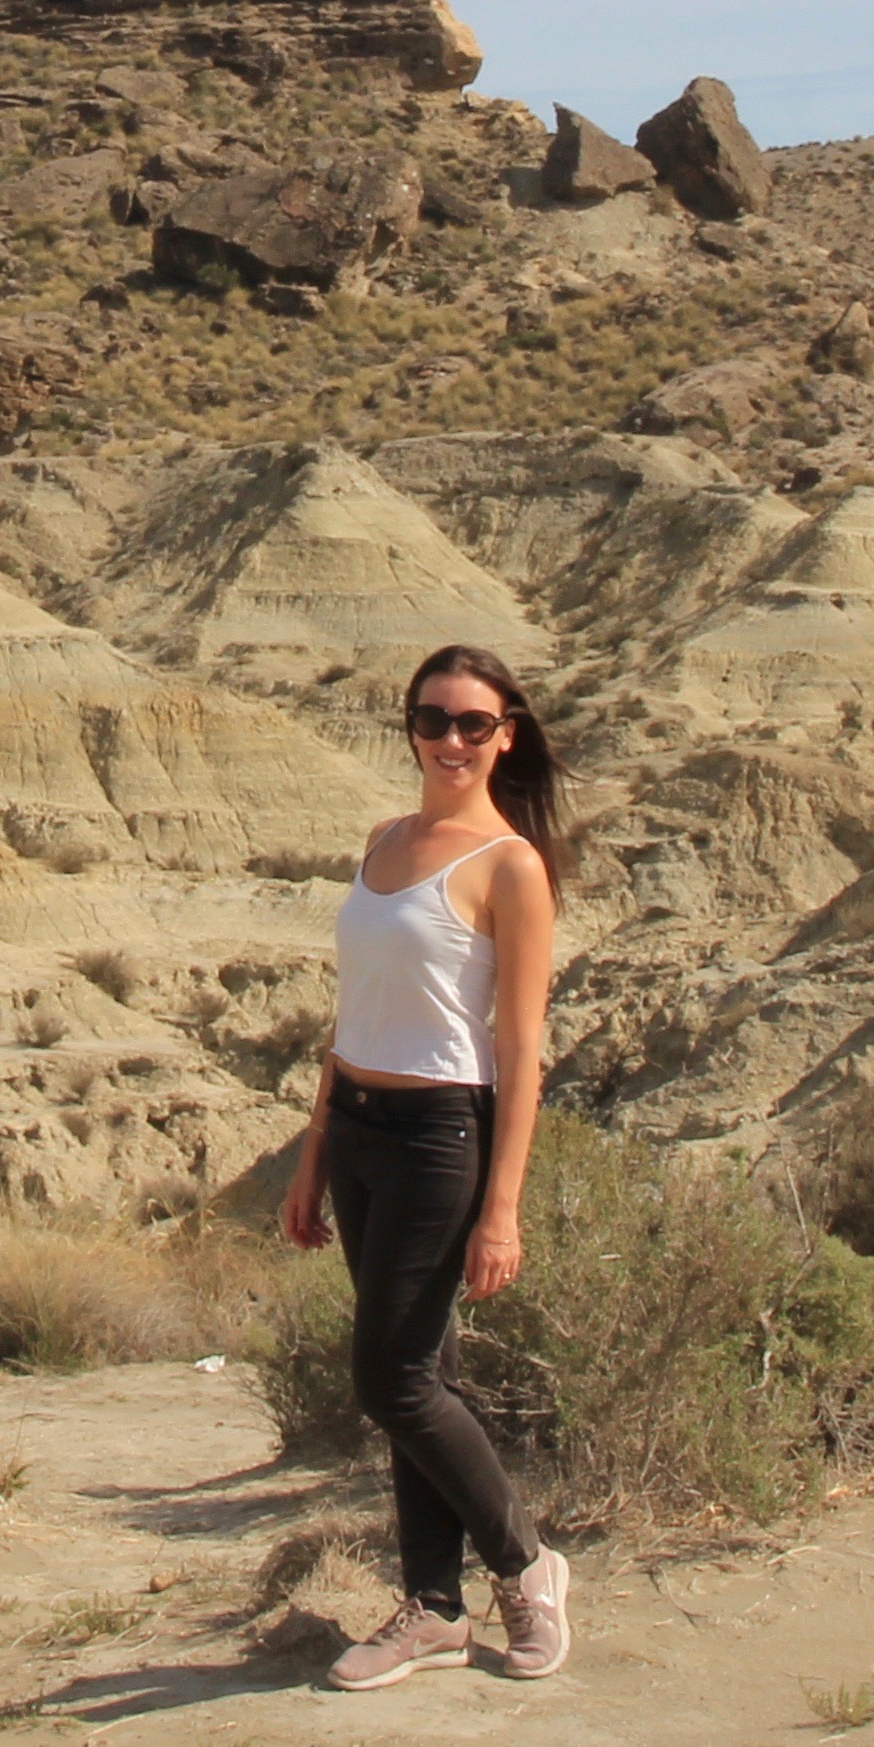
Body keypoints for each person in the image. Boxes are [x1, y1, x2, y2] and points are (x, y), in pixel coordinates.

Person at [279, 641, 572, 1687]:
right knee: (423, 1374)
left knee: (392, 1376)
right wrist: (313, 1154)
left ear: (508, 735)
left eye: (473, 724)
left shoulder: (510, 868)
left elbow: (520, 1053)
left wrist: (504, 1210)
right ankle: (435, 1608)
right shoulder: (382, 841)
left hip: (442, 1139)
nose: (451, 739)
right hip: (356, 1125)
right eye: (432, 718)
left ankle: (526, 1566)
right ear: (408, 726)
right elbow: (349, 1012)